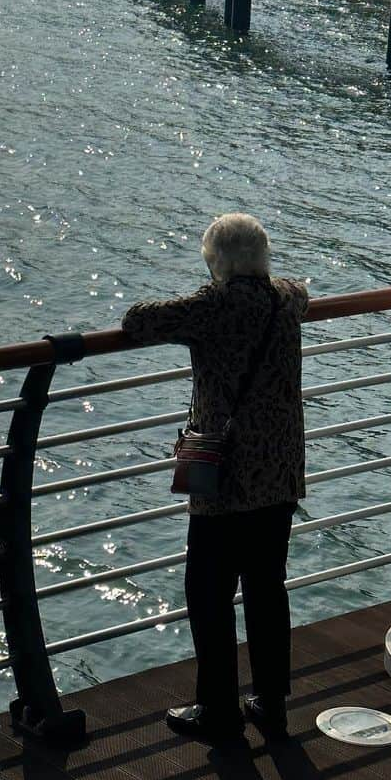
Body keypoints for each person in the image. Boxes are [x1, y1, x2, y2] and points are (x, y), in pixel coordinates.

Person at [121, 213, 308, 744]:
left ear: (217, 262)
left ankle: (220, 711)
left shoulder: (212, 306)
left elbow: (139, 320)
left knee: (209, 592)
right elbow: (302, 294)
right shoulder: (284, 299)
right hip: (278, 473)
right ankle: (270, 703)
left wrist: (208, 289)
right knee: (267, 589)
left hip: (224, 477)